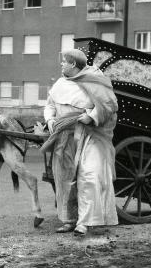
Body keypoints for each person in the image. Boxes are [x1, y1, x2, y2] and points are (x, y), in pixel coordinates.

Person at [42, 49, 119, 236]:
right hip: (64, 136)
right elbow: (50, 105)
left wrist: (91, 116)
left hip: (89, 135)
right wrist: (50, 120)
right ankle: (69, 220)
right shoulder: (60, 83)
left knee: (89, 176)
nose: (61, 64)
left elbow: (110, 106)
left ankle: (84, 223)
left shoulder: (94, 81)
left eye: (64, 62)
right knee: (65, 180)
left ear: (73, 64)